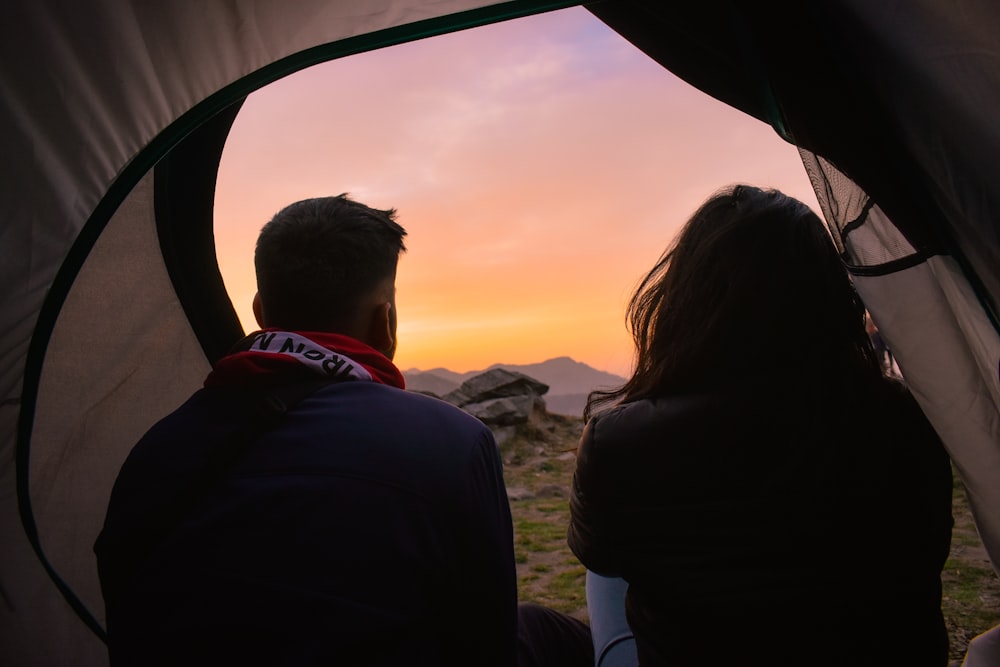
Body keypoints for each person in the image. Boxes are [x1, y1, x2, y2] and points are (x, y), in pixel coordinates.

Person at [95, 195, 591, 666]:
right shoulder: (451, 443)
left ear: (260, 313)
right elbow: (487, 644)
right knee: (552, 634)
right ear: (386, 322)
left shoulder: (157, 447)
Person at [567, 185, 954, 666]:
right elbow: (927, 549)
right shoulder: (904, 420)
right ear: (832, 297)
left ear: (685, 301)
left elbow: (600, 554)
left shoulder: (620, 443)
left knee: (557, 611)